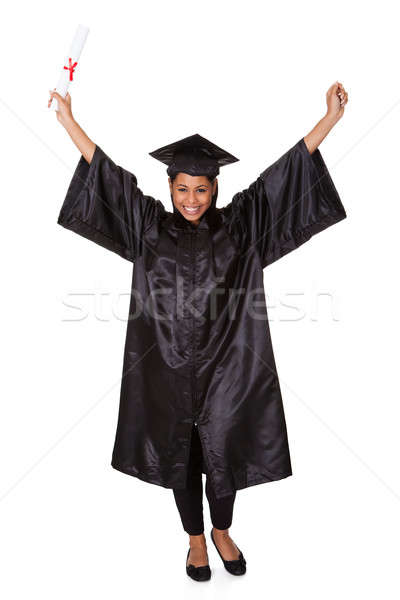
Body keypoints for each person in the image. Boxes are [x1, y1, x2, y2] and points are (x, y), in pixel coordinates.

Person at [49, 81, 348, 581]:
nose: (191, 198)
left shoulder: (240, 227)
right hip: (162, 366)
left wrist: (330, 120)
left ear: (215, 190)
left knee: (226, 451)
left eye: (201, 189)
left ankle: (223, 530)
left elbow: (282, 177)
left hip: (228, 368)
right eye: (182, 188)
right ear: (169, 188)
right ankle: (194, 540)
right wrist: (67, 121)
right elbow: (109, 176)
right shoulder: (147, 226)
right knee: (181, 458)